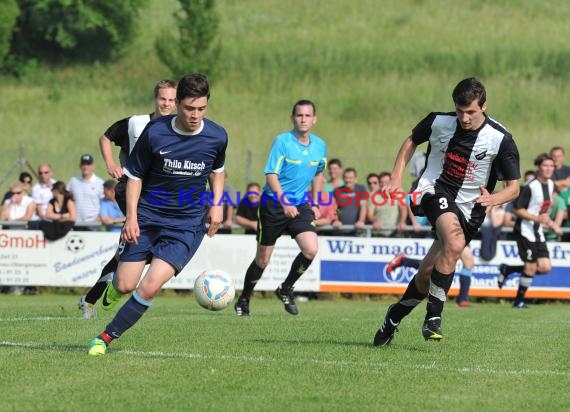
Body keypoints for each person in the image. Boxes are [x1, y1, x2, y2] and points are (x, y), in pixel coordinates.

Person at [373, 77, 520, 346]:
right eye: (460, 110)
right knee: (454, 243)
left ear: (484, 106)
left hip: (470, 208)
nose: (464, 118)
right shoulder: (438, 122)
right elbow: (411, 141)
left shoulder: (500, 139)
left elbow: (514, 188)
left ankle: (394, 316)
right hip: (433, 189)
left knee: (427, 273)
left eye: (471, 112)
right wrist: (396, 177)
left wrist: (495, 198)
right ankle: (434, 317)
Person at [88, 73, 228, 355]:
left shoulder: (217, 135)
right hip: (149, 216)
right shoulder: (155, 132)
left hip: (187, 224)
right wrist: (132, 217)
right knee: (126, 283)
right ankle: (114, 290)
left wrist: (217, 205)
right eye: (189, 108)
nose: (195, 115)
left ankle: (105, 337)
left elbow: (218, 171)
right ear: (177, 104)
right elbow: (135, 177)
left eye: (201, 108)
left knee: (150, 286)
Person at [79, 79, 177, 319]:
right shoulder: (136, 124)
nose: (166, 103)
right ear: (155, 99)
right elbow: (105, 138)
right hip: (132, 191)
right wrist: (111, 163)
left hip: (158, 197)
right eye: (162, 98)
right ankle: (101, 295)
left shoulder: (179, 129)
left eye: (171, 100)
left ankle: (90, 298)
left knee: (128, 254)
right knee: (138, 248)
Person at [234, 99, 327, 317]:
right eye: (299, 115)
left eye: (307, 115)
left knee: (311, 249)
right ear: (293, 118)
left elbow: (319, 172)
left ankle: (286, 288)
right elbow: (270, 175)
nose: (303, 119)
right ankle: (244, 298)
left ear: (314, 119)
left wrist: (315, 201)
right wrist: (284, 201)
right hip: (273, 204)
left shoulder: (320, 145)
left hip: (300, 203)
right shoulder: (282, 142)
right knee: (263, 259)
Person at [497, 154, 561, 308]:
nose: (548, 169)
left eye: (551, 166)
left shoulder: (551, 184)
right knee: (531, 266)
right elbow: (517, 210)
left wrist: (551, 224)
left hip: (537, 232)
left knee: (545, 267)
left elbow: (543, 211)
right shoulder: (530, 186)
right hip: (524, 231)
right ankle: (518, 301)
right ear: (538, 167)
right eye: (545, 165)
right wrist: (535, 218)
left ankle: (508, 268)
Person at [385, 247, 475, 307]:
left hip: (462, 228)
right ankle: (403, 260)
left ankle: (462, 299)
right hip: (454, 228)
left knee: (467, 263)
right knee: (434, 266)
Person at [67, 154, 104, 224]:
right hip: (75, 223)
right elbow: (67, 199)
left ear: (93, 166)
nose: (85, 167)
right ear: (80, 166)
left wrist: (100, 216)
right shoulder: (73, 181)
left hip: (94, 224)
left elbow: (104, 202)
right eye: (83, 164)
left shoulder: (100, 183)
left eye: (88, 164)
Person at [367, 172, 404, 237]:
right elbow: (370, 214)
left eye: (386, 182)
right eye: (381, 182)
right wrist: (375, 220)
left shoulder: (398, 192)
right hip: (378, 233)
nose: (384, 184)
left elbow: (403, 208)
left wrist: (402, 221)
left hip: (394, 232)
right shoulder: (373, 195)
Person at [332, 168, 367, 235]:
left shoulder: (360, 189)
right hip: (339, 229)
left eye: (350, 178)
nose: (348, 180)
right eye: (346, 178)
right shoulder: (337, 190)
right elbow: (336, 208)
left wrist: (361, 221)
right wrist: (336, 220)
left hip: (356, 230)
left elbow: (363, 206)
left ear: (355, 179)